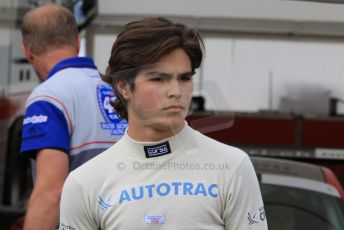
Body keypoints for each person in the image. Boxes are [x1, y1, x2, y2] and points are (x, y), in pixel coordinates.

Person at [59, 17, 268, 229]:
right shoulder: (84, 183)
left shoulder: (232, 167)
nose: (176, 92)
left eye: (185, 78)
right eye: (158, 79)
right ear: (124, 86)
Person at [20, 3, 126, 230]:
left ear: (27, 51)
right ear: (77, 42)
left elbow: (51, 192)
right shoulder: (118, 89)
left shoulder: (49, 97)